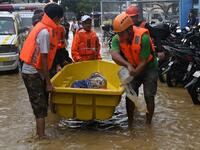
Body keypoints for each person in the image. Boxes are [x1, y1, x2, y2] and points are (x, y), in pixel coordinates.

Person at [20, 3, 63, 139]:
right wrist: (48, 82)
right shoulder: (45, 32)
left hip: (34, 71)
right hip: (32, 72)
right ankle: (41, 137)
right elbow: (43, 59)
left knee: (41, 103)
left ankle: (41, 133)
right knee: (40, 106)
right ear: (56, 18)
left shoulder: (40, 26)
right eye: (60, 19)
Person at [110, 13, 158, 125]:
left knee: (149, 96)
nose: (119, 36)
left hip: (149, 68)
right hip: (132, 66)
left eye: (121, 33)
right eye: (118, 33)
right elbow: (114, 54)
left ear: (130, 30)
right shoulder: (117, 39)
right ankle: (130, 123)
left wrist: (134, 72)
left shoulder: (143, 38)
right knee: (130, 96)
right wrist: (128, 65)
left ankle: (149, 124)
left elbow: (144, 62)